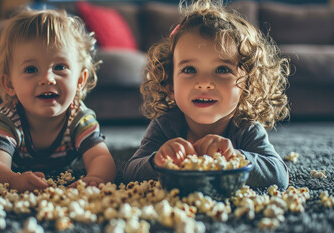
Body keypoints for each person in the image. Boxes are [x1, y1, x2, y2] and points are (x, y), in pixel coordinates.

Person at [123, 0, 290, 189]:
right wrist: (157, 161)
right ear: (170, 84)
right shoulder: (165, 125)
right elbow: (131, 171)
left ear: (248, 85)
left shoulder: (246, 128)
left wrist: (237, 158)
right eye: (189, 69)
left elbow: (279, 176)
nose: (203, 83)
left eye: (221, 69)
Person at [0, 9, 116, 192]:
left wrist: (96, 178)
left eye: (59, 67)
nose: (47, 78)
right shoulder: (7, 120)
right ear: (9, 84)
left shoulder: (78, 118)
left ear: (80, 80)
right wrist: (13, 180)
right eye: (31, 69)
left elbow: (101, 158)